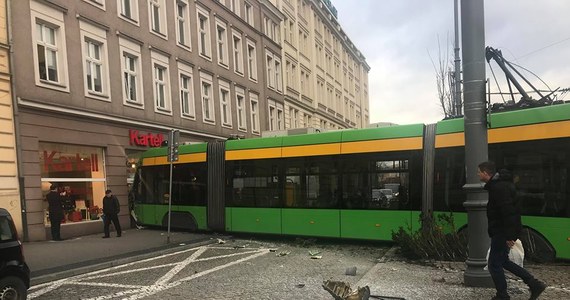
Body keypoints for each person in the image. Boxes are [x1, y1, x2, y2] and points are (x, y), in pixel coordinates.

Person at [478, 161, 546, 300]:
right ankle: (534, 284)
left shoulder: (498, 188)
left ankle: (502, 295)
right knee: (502, 261)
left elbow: (508, 213)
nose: (478, 174)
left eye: (479, 172)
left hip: (501, 231)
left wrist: (510, 236)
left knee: (494, 264)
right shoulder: (501, 185)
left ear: (485, 173)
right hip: (503, 230)